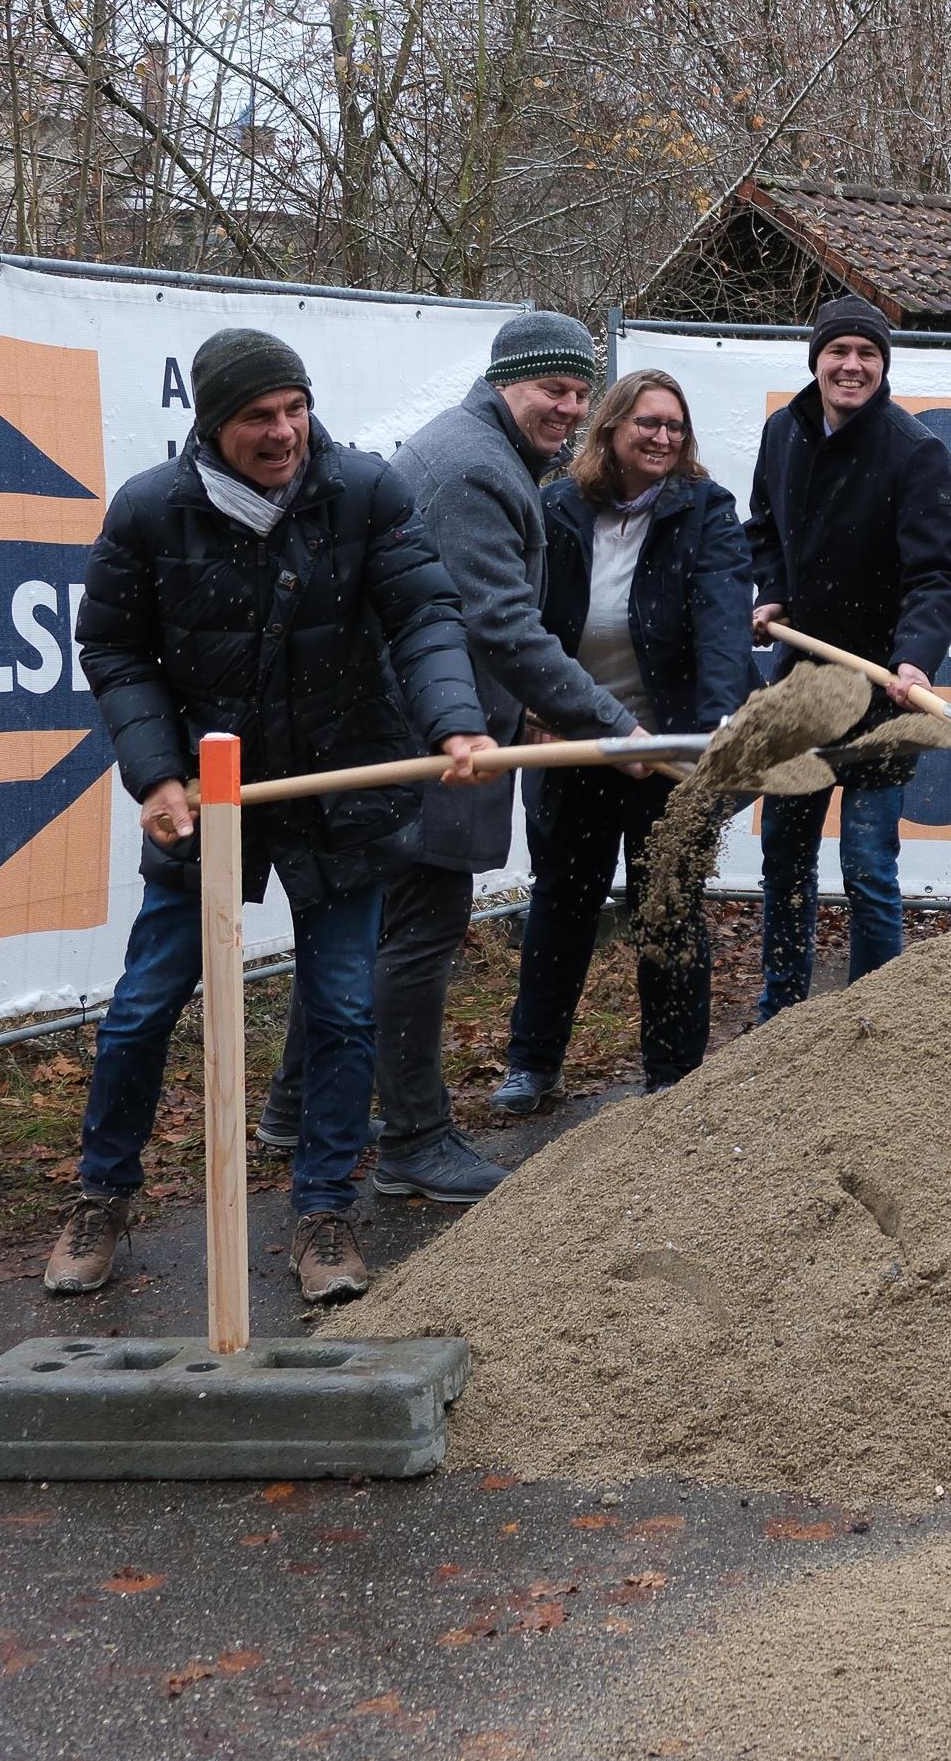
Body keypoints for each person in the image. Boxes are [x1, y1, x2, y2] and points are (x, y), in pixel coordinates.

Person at [51, 328, 493, 1305]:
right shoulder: (151, 513)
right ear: (214, 422)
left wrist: (455, 719)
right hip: (207, 793)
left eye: (295, 407)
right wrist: (158, 775)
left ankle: (323, 1209)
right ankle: (102, 1193)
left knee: (341, 1007)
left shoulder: (365, 491)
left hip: (341, 787)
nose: (286, 430)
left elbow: (424, 614)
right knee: (140, 1010)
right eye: (260, 415)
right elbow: (116, 650)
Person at [261, 310, 644, 1182]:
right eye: (554, 389)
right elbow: (501, 626)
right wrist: (616, 728)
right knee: (417, 934)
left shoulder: (486, 453)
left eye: (583, 394)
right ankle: (412, 1140)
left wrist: (536, 710)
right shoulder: (474, 470)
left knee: (370, 928)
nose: (569, 408)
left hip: (422, 725)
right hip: (425, 739)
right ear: (507, 381)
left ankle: (292, 1108)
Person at [495, 370, 754, 1103]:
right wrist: (535, 715)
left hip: (670, 747)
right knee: (562, 902)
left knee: (665, 903)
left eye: (675, 426)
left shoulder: (705, 511)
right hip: (575, 742)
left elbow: (723, 623)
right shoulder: (556, 507)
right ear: (610, 428)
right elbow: (525, 623)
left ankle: (673, 1077)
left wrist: (714, 731)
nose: (663, 437)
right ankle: (533, 1063)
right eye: (648, 423)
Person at [744, 295, 951, 1018]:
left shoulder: (913, 450)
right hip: (802, 690)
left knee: (869, 867)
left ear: (883, 365)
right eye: (839, 351)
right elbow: (763, 528)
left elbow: (937, 576)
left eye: (867, 353)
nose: (852, 365)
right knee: (784, 855)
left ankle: (877, 1021)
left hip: (881, 698)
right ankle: (783, 1011)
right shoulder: (784, 433)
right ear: (816, 359)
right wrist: (774, 594)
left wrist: (914, 661)